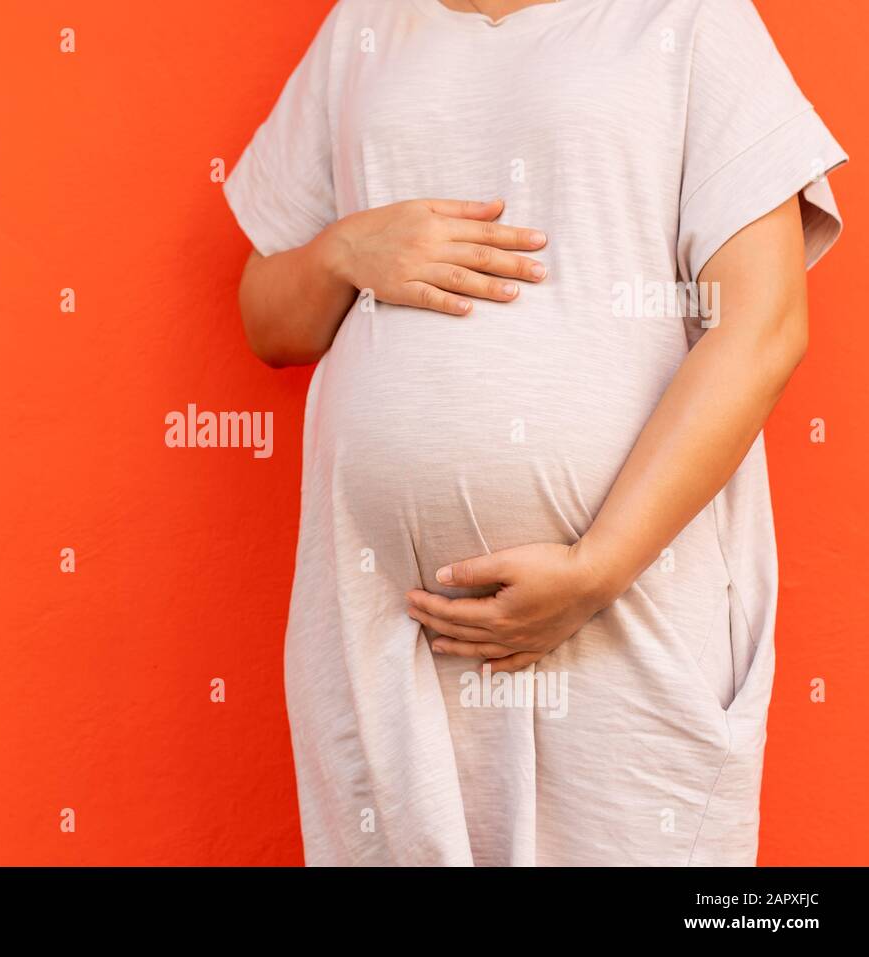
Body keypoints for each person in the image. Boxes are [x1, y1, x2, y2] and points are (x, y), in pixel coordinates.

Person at [223, 0, 848, 865]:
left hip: (627, 609)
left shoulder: (692, 17)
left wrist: (598, 567)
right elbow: (267, 319)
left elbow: (765, 321)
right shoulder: (365, 26)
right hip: (386, 633)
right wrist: (342, 250)